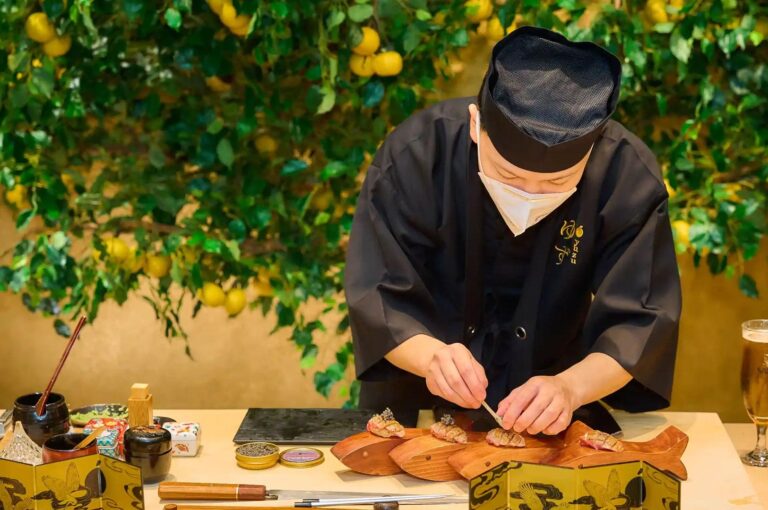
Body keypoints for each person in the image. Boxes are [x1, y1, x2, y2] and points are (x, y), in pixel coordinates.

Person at [344, 26, 681, 435]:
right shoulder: (417, 154)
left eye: (556, 184)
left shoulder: (625, 175)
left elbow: (641, 319)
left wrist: (571, 388)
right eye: (508, 175)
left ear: (591, 153)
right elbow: (377, 290)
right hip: (416, 400)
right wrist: (432, 358)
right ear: (475, 124)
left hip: (554, 405)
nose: (529, 195)